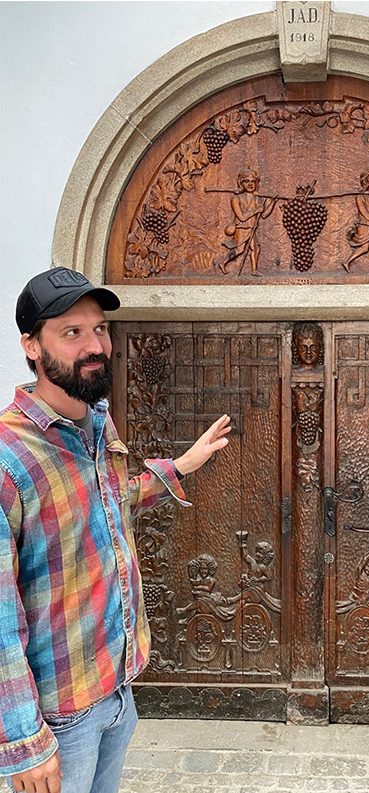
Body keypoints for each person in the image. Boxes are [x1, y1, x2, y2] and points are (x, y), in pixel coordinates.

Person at [0, 268, 232, 793]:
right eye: (72, 333)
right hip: (59, 719)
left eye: (99, 329)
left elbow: (109, 499)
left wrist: (180, 465)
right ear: (32, 346)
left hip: (116, 689)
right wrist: (24, 740)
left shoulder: (96, 424)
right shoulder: (8, 458)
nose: (94, 345)